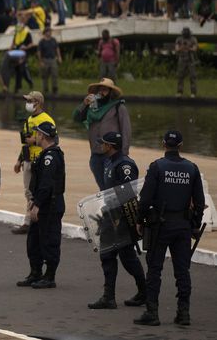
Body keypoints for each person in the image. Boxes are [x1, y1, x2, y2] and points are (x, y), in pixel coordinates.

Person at [134, 130, 205, 327]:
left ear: (163, 144)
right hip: (182, 226)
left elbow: (146, 198)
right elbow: (199, 201)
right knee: (182, 270)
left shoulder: (157, 167)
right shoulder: (192, 169)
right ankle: (183, 313)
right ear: (180, 146)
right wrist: (195, 225)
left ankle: (152, 312)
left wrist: (139, 220)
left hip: (160, 226)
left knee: (154, 269)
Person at [87, 131, 146, 310]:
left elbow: (128, 194)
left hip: (120, 218)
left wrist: (119, 218)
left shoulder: (125, 165)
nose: (101, 145)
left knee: (127, 257)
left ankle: (144, 291)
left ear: (110, 146)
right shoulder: (108, 161)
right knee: (107, 255)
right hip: (109, 215)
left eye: (103, 143)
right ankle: (108, 297)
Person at [17, 122, 64, 289]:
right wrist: (31, 200)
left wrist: (37, 205)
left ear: (42, 136)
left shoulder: (51, 156)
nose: (34, 137)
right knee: (34, 240)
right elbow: (36, 182)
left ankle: (49, 276)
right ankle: (35, 273)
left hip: (49, 205)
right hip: (40, 202)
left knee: (49, 240)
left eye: (36, 134)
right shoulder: (44, 154)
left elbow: (47, 184)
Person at [73, 78, 132, 189]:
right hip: (95, 154)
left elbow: (126, 131)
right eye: (100, 89)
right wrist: (84, 104)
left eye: (105, 89)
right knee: (103, 188)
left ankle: (115, 206)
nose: (101, 92)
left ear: (111, 92)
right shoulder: (92, 107)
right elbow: (77, 118)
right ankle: (108, 206)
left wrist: (123, 154)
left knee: (114, 187)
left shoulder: (118, 107)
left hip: (113, 155)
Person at [12, 91, 55, 235]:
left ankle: (31, 221)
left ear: (38, 102)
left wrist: (35, 141)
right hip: (28, 160)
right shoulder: (29, 119)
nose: (28, 103)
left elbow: (54, 140)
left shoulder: (46, 119)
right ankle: (30, 220)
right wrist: (19, 160)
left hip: (41, 160)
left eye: (30, 100)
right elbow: (26, 143)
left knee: (39, 191)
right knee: (28, 192)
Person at [174, 27, 197, 98]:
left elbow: (195, 49)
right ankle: (179, 92)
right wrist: (182, 47)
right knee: (180, 76)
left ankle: (193, 93)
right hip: (182, 59)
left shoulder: (193, 39)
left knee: (192, 76)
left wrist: (188, 48)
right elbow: (177, 49)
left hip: (190, 59)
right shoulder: (179, 39)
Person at [37, 27, 61, 95]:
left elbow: (57, 48)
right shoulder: (41, 41)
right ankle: (45, 89)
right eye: (48, 31)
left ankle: (55, 89)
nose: (50, 33)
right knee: (45, 76)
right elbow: (39, 52)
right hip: (45, 60)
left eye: (50, 31)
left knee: (54, 74)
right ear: (45, 33)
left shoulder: (53, 40)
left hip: (53, 59)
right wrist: (40, 61)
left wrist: (59, 57)